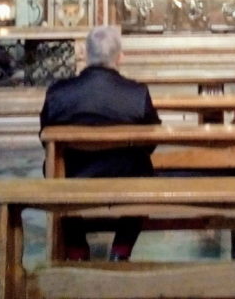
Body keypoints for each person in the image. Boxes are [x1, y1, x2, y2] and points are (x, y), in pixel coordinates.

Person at [40, 26, 161, 261]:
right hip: (125, 176)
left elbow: (44, 139)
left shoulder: (59, 93)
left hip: (73, 175)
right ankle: (121, 248)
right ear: (120, 57)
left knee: (52, 167)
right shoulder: (136, 93)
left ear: (84, 54)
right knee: (145, 170)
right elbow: (151, 141)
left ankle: (76, 247)